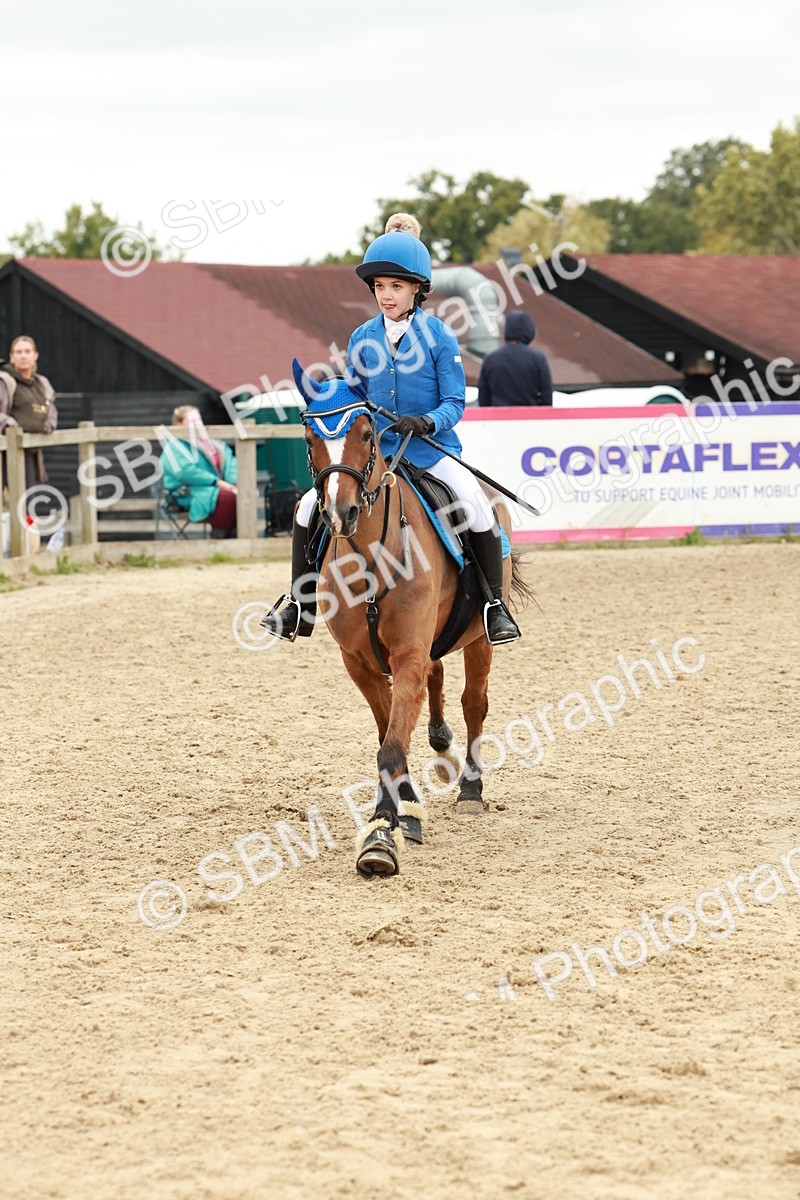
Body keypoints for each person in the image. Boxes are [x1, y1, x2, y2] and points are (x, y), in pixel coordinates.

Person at [261, 213, 520, 646]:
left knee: (476, 505)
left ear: (417, 288)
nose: (386, 296)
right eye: (380, 287)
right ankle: (299, 604)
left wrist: (427, 421)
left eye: (396, 287)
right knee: (308, 506)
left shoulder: (439, 336)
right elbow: (354, 399)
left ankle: (494, 605)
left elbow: (456, 401)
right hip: (376, 456)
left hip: (430, 452)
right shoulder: (362, 337)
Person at [158, 405, 238, 536]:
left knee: (243, 495)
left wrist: (233, 483)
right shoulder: (173, 446)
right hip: (187, 492)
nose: (197, 424)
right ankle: (220, 537)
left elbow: (231, 462)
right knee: (228, 498)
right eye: (192, 421)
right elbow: (185, 472)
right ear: (178, 424)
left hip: (217, 488)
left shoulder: (214, 444)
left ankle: (235, 537)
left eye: (198, 420)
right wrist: (217, 482)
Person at [0, 335, 58, 493]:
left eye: (27, 351)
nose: (23, 356)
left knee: (27, 500)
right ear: (12, 356)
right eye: (18, 352)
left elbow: (50, 407)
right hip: (5, 452)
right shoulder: (5, 381)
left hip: (30, 450)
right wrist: (11, 425)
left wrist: (48, 425)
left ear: (35, 355)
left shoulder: (41, 383)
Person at [477, 309, 553, 407]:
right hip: (530, 419)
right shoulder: (537, 359)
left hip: (498, 419)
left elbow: (483, 398)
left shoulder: (490, 359)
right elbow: (546, 396)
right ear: (528, 330)